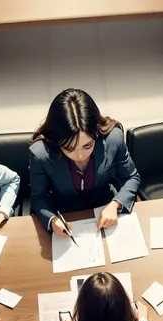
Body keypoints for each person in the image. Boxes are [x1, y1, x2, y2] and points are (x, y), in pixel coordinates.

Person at [29, 88, 140, 236]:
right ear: (57, 141)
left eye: (87, 145)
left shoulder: (113, 138)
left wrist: (116, 204)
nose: (80, 156)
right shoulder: (41, 153)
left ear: (97, 132)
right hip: (66, 216)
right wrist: (52, 220)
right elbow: (38, 197)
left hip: (105, 211)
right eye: (69, 148)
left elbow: (132, 177)